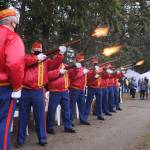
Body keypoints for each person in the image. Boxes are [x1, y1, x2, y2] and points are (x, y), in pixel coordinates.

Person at [16, 41, 66, 147]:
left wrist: (60, 55)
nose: (38, 52)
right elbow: (25, 62)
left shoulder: (45, 60)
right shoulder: (27, 57)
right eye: (36, 51)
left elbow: (54, 65)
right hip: (25, 91)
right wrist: (36, 58)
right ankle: (20, 140)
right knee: (23, 116)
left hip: (38, 91)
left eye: (40, 50)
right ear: (31, 50)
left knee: (40, 116)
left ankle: (42, 139)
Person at [0, 6, 25, 150]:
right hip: (4, 88)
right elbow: (14, 64)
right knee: (3, 123)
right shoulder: (12, 37)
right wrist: (16, 87)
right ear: (11, 22)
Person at [47, 63, 76, 134]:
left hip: (65, 91)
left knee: (66, 109)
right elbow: (48, 76)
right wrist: (59, 72)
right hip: (55, 91)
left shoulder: (66, 65)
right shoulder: (52, 65)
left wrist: (76, 69)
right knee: (52, 110)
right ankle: (50, 127)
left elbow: (72, 76)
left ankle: (68, 126)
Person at [69, 53, 90, 126]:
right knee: (71, 105)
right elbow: (74, 77)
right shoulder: (73, 68)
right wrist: (82, 73)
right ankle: (70, 121)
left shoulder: (83, 68)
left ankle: (83, 119)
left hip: (81, 88)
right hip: (74, 88)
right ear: (77, 61)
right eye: (81, 60)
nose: (82, 62)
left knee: (82, 105)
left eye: (83, 60)